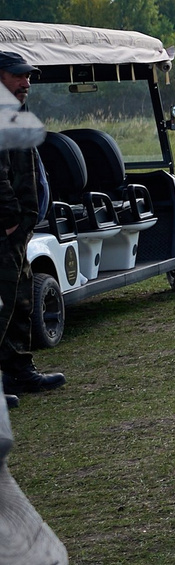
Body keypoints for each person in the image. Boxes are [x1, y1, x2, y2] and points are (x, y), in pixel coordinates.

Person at [0, 51, 61, 404]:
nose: (26, 83)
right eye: (18, 76)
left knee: (19, 301)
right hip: (5, 228)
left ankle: (18, 372)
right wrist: (9, 220)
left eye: (29, 77)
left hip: (18, 228)